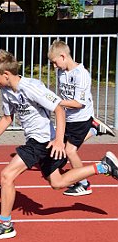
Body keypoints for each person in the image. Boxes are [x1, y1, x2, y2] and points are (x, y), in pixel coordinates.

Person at [0, 49, 118, 240]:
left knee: (6, 175)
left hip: (42, 141)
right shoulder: (6, 90)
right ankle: (103, 166)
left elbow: (58, 107)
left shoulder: (32, 87)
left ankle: (5, 225)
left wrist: (59, 140)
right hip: (37, 141)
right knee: (57, 183)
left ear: (6, 74)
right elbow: (7, 118)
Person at [48, 40, 115, 196]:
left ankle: (84, 184)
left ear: (63, 56)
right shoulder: (61, 72)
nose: (54, 66)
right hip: (68, 118)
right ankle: (94, 129)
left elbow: (78, 103)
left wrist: (54, 102)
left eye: (55, 62)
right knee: (62, 150)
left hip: (80, 118)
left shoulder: (81, 74)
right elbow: (63, 96)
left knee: (69, 151)